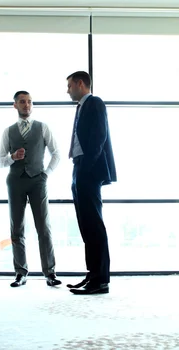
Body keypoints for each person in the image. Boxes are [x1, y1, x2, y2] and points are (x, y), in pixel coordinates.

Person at [0, 91, 62, 287]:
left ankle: (50, 272)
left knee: (43, 226)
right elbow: (0, 161)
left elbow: (56, 153)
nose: (26, 105)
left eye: (29, 102)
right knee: (16, 227)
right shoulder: (8, 131)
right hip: (15, 181)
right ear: (15, 105)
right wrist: (12, 158)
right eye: (22, 102)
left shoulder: (43, 128)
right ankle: (20, 272)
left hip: (38, 180)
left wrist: (46, 174)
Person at [65, 71, 116, 295]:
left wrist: (85, 169)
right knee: (86, 225)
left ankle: (101, 280)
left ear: (80, 83)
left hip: (88, 169)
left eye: (69, 86)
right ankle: (92, 274)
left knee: (94, 225)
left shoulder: (95, 103)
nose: (67, 90)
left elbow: (98, 137)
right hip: (79, 167)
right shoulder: (82, 106)